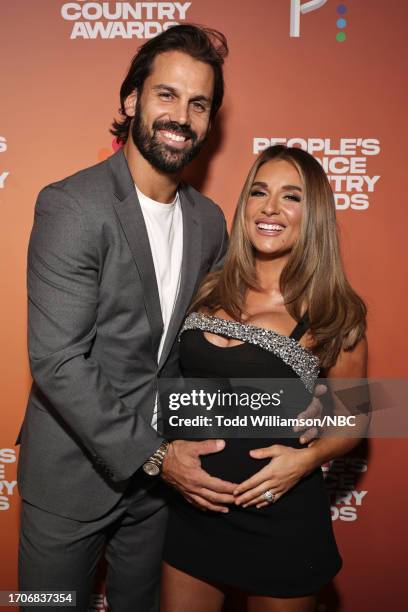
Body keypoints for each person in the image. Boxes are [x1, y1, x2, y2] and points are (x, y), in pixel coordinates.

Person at [17, 25, 323, 612]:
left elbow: (214, 348)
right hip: (75, 480)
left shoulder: (209, 221)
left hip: (163, 495)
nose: (181, 115)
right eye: (166, 95)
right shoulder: (73, 206)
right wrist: (159, 456)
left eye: (199, 103)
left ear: (210, 120)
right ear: (132, 100)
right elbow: (57, 361)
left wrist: (303, 405)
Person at [161, 145, 368, 612]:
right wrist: (166, 447)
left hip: (279, 517)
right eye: (259, 192)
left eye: (291, 197)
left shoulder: (334, 311)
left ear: (312, 213)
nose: (270, 208)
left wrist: (304, 461)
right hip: (194, 510)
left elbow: (357, 417)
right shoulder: (208, 284)